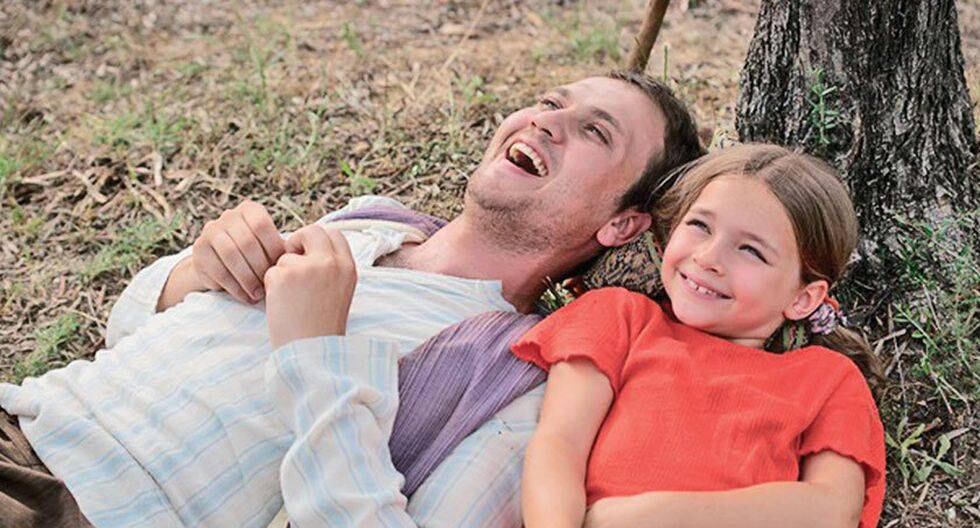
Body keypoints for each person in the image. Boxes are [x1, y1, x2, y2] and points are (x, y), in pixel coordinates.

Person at [0, 71, 704, 527]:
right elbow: (126, 328)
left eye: (594, 132)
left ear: (621, 225)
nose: (546, 122)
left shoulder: (515, 380)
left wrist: (316, 352)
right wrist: (197, 269)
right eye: (552, 102)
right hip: (27, 413)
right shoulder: (373, 222)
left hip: (86, 503)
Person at [513, 144, 886, 528]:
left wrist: (651, 516)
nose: (708, 258)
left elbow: (832, 509)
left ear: (802, 298)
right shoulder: (619, 317)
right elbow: (560, 443)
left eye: (751, 251)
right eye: (700, 226)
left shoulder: (828, 379)